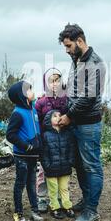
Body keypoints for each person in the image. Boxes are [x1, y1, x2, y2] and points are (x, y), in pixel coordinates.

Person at [57, 23, 106, 221]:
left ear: (80, 41)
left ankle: (91, 210)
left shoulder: (96, 64)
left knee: (92, 166)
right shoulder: (76, 59)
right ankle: (86, 200)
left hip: (88, 125)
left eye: (69, 46)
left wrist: (68, 116)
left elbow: (88, 98)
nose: (67, 50)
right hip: (74, 123)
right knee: (79, 165)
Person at [6, 81, 45, 221]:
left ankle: (35, 211)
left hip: (33, 156)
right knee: (20, 184)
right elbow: (10, 135)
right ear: (21, 95)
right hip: (22, 156)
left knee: (32, 183)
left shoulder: (33, 110)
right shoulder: (17, 113)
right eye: (29, 90)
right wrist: (26, 146)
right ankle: (18, 213)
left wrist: (38, 148)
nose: (32, 91)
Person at [34, 68, 68, 212]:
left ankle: (60, 197)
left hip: (62, 142)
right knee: (44, 171)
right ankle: (42, 198)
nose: (55, 84)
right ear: (45, 83)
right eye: (51, 81)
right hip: (47, 143)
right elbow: (37, 122)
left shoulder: (66, 99)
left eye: (57, 80)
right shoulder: (41, 102)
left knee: (62, 170)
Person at [41, 110, 76, 219]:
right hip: (51, 169)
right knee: (53, 189)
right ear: (48, 120)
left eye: (60, 116)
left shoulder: (67, 133)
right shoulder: (45, 135)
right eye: (54, 116)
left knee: (64, 188)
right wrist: (46, 165)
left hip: (65, 167)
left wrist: (70, 161)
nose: (58, 118)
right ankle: (54, 207)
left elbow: (71, 148)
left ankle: (67, 206)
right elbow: (43, 153)